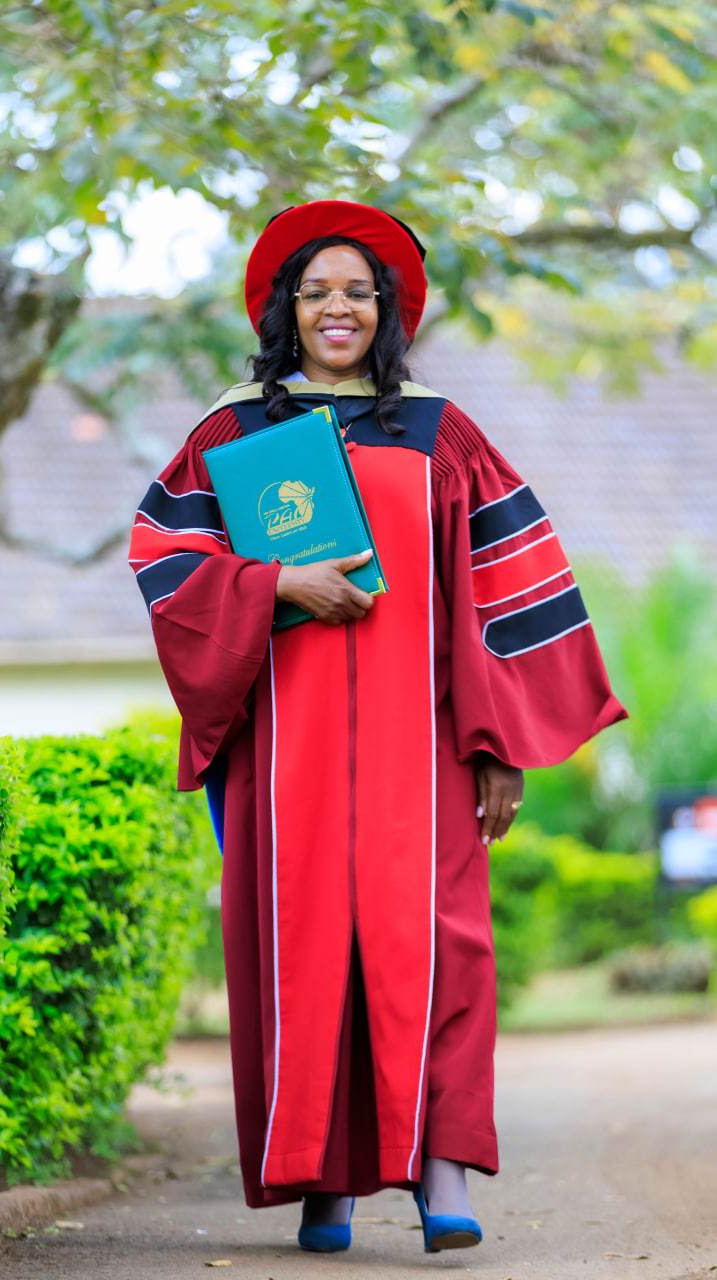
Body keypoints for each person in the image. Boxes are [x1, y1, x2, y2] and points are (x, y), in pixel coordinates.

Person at [129, 202, 626, 1256]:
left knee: (438, 947)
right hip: (287, 749)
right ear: (287, 308)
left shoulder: (441, 430)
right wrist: (274, 582)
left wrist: (494, 743)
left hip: (425, 744)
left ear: (386, 308)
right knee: (305, 952)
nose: (338, 307)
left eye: (358, 290)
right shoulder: (236, 432)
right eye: (318, 291)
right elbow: (164, 559)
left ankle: (439, 1172)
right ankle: (326, 1179)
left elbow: (500, 587)